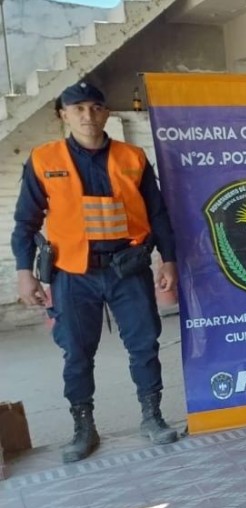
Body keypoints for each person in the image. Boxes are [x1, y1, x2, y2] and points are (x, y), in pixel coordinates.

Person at [11, 82, 180, 463]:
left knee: (144, 345)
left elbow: (157, 214)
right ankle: (83, 427)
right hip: (72, 273)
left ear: (105, 113)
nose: (88, 116)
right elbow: (25, 222)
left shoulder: (132, 157)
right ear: (63, 115)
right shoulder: (43, 160)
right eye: (78, 109)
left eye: (95, 108)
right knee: (76, 352)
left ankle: (152, 416)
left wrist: (167, 259)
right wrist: (26, 273)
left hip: (128, 268)